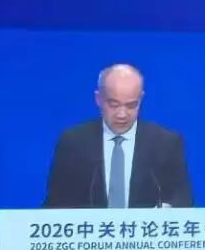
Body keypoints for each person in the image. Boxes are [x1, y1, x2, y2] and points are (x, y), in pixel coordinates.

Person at [43, 64, 193, 208]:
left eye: (131, 105)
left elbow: (183, 200)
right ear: (98, 99)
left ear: (140, 99)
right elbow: (55, 203)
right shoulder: (73, 142)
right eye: (114, 105)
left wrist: (168, 210)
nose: (122, 114)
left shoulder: (166, 143)